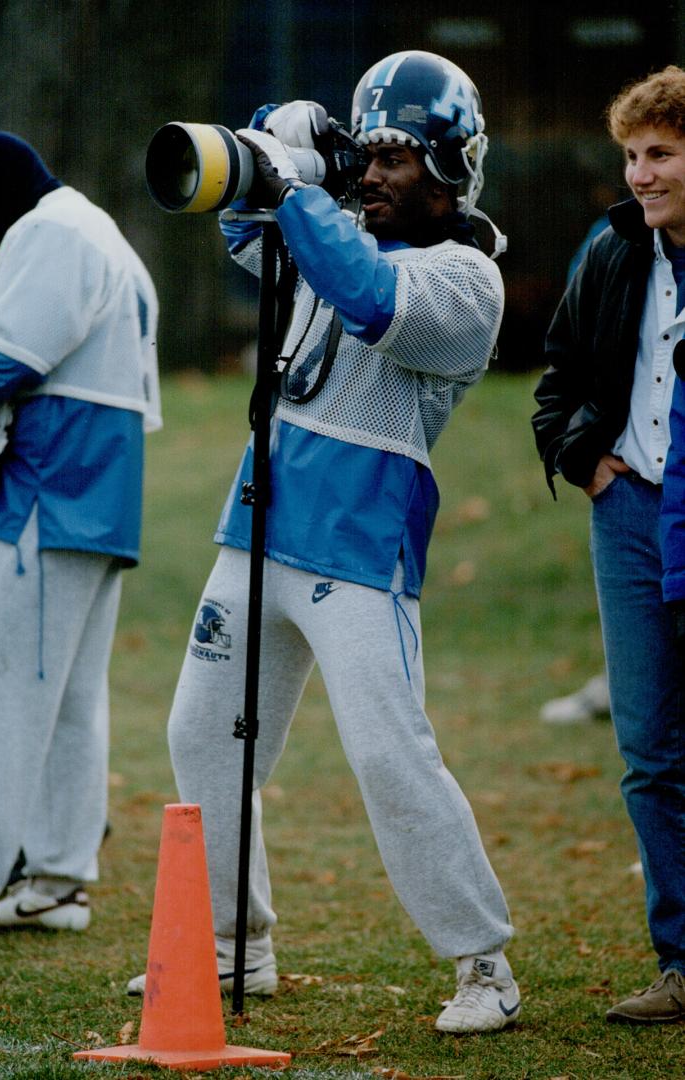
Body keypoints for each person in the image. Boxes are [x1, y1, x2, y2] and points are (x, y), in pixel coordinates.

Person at [129, 50, 520, 1035]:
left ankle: (485, 963)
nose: (377, 176)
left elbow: (371, 301)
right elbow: (240, 229)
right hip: (259, 522)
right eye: (370, 156)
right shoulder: (336, 232)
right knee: (199, 734)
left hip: (357, 543)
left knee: (390, 753)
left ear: (451, 172)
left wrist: (299, 188)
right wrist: (275, 140)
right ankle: (232, 944)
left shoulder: (466, 279)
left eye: (400, 160)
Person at [0, 131, 161, 941]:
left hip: (52, 484)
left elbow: (3, 361)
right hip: (94, 488)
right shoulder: (91, 224)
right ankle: (57, 879)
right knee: (71, 697)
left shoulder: (49, 232)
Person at [532, 66, 685, 1023]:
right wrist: (583, 459)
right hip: (628, 514)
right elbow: (559, 372)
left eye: (660, 154)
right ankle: (679, 962)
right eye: (630, 155)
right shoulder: (615, 248)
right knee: (648, 749)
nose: (638, 174)